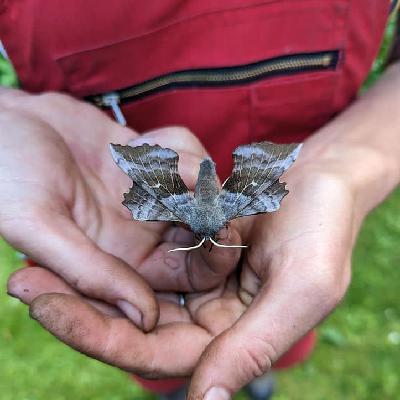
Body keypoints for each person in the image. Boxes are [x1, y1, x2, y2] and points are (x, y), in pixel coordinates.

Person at [1, 1, 399, 399]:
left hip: (283, 222)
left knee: (280, 310)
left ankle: (257, 375)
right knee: (158, 335)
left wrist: (344, 163)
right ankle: (177, 388)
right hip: (122, 211)